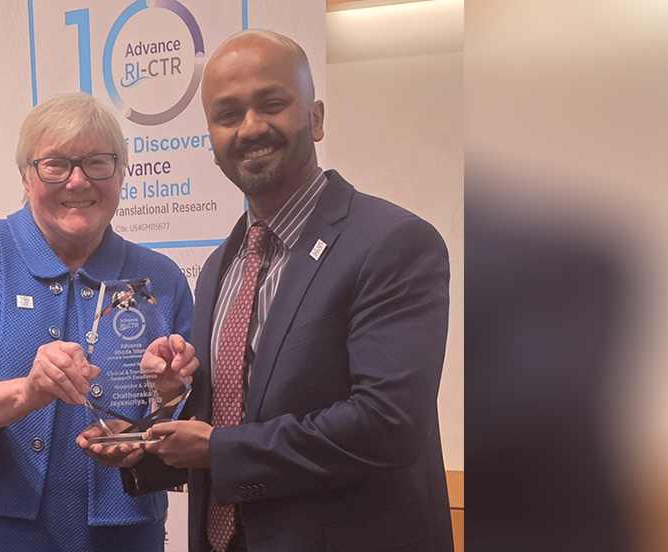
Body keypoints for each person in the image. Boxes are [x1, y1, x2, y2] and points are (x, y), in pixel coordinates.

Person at [91, 30, 454, 551]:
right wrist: (160, 426)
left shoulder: (392, 242)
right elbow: (239, 415)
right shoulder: (221, 265)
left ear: (317, 117)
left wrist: (219, 448)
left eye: (273, 104)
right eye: (227, 114)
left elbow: (388, 422)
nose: (251, 128)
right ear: (211, 141)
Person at [0, 92, 197, 551]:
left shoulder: (160, 277)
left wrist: (163, 402)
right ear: (26, 176)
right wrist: (25, 393)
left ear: (122, 173)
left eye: (98, 163)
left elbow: (187, 415)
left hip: (119, 537)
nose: (78, 181)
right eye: (56, 165)